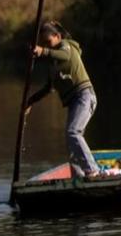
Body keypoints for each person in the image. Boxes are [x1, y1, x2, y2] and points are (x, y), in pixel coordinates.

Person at [25, 20, 101, 178]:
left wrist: (43, 51)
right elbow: (48, 88)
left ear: (57, 36)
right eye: (44, 43)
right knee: (70, 139)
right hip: (74, 102)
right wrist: (30, 101)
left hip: (84, 96)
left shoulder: (67, 46)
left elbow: (64, 55)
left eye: (48, 42)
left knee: (73, 132)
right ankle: (79, 177)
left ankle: (92, 170)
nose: (48, 46)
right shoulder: (53, 65)